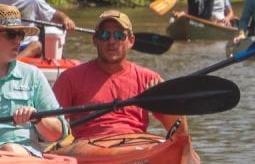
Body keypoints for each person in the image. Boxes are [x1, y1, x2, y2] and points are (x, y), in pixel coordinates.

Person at [52, 10, 185, 140]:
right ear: (95, 40)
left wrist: (166, 102)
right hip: (90, 150)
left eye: (119, 36)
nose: (111, 41)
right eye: (104, 35)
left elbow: (180, 132)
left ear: (131, 41)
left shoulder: (149, 79)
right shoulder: (69, 79)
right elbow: (50, 128)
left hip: (135, 147)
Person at [0, 5, 67, 153]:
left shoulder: (33, 76)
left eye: (21, 35)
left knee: (9, 150)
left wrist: (37, 118)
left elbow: (58, 133)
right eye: (11, 34)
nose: (18, 40)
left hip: (21, 159)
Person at [1, 0, 76, 61]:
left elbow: (54, 15)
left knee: (36, 45)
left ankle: (13, 62)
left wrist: (65, 19)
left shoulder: (33, 0)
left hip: (25, 46)